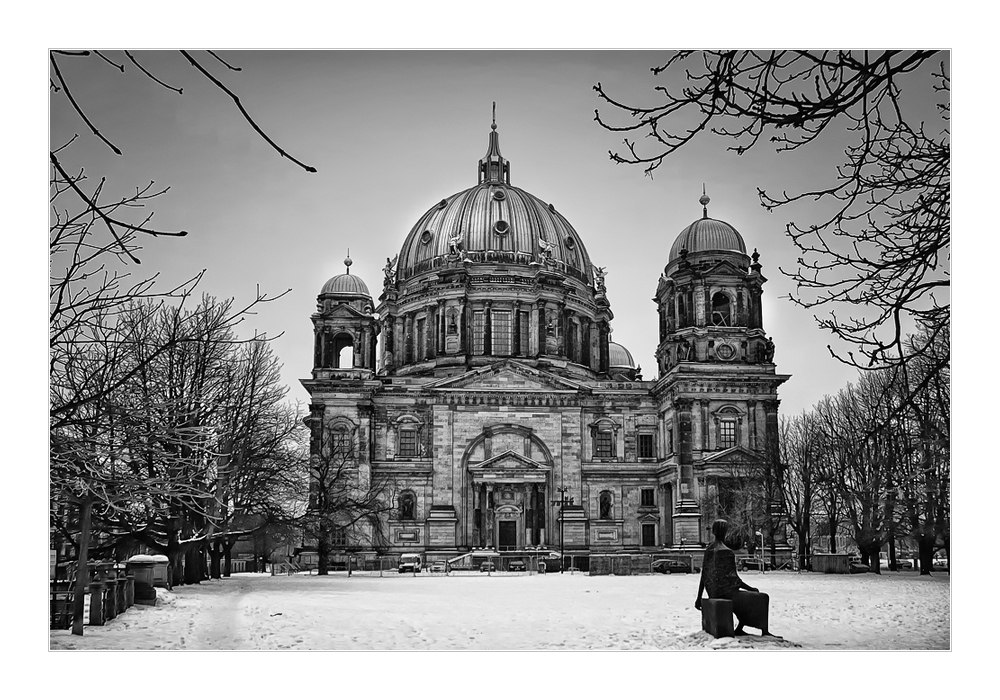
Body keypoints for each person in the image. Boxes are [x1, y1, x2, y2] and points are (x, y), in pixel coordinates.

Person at [695, 519, 774, 636]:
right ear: (725, 532)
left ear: (713, 531)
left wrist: (699, 597)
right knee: (761, 598)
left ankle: (740, 627)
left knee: (744, 599)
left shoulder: (709, 549)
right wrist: (751, 588)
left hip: (713, 593)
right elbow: (734, 579)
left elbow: (704, 574)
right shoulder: (726, 551)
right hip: (725, 593)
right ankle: (764, 631)